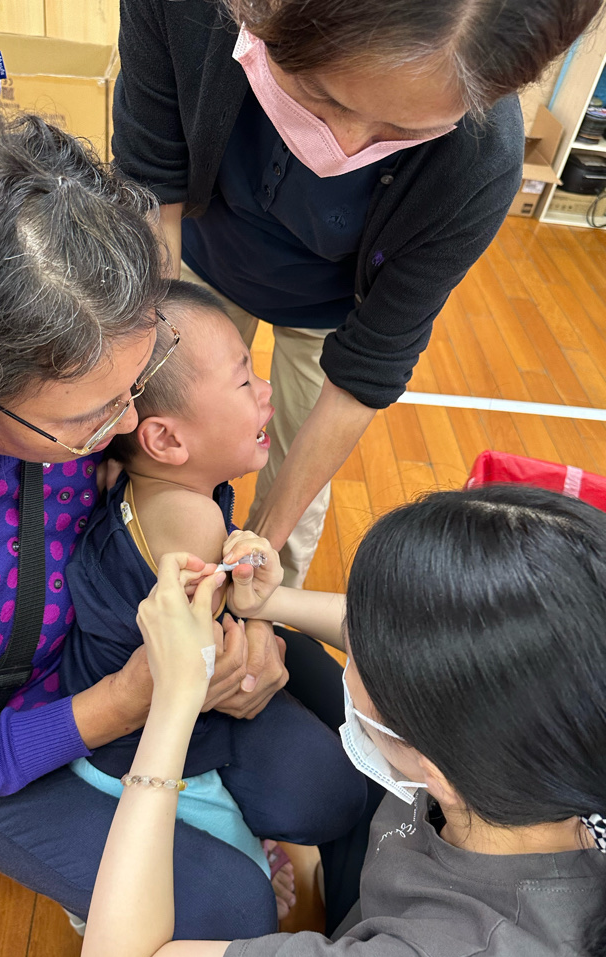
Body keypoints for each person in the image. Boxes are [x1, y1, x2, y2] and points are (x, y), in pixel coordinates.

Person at [0, 106, 340, 955]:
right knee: (224, 908)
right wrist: (129, 701)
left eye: (137, 384)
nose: (129, 426)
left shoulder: (78, 375)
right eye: (93, 417)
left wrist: (241, 624)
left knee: (325, 786)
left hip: (106, 651)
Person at [113, 0, 602, 585]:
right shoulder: (186, 13)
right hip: (198, 258)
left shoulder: (480, 162)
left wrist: (261, 554)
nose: (343, 147)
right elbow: (151, 183)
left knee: (292, 504)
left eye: (404, 132)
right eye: (322, 96)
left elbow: (371, 362)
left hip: (330, 310)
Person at [76, 486, 606, 957]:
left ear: (439, 771)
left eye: (367, 659)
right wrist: (269, 604)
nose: (354, 649)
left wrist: (173, 697)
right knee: (304, 661)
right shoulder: (561, 744)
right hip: (394, 900)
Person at [60, 280, 366, 902]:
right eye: (244, 381)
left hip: (103, 701)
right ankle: (97, 902)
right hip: (138, 744)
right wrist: (252, 592)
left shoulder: (144, 483)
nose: (266, 391)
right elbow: (223, 648)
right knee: (241, 875)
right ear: (167, 440)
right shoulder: (194, 521)